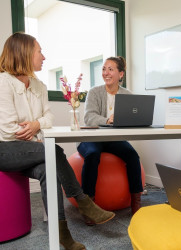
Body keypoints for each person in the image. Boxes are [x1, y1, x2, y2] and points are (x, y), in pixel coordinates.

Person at [0, 32, 115, 250]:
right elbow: (7, 131)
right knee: (54, 150)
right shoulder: (3, 83)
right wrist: (38, 131)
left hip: (30, 149)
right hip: (4, 150)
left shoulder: (39, 86)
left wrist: (35, 125)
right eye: (39, 51)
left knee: (48, 169)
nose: (43, 57)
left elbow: (49, 118)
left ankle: (63, 235)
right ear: (24, 53)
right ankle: (83, 201)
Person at [77, 56, 143, 217]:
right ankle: (89, 206)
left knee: (133, 156)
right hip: (92, 137)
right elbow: (89, 117)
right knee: (92, 154)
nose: (106, 73)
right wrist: (107, 120)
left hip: (114, 140)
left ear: (121, 74)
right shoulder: (94, 92)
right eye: (104, 69)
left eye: (110, 69)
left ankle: (136, 202)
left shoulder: (128, 94)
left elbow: (133, 119)